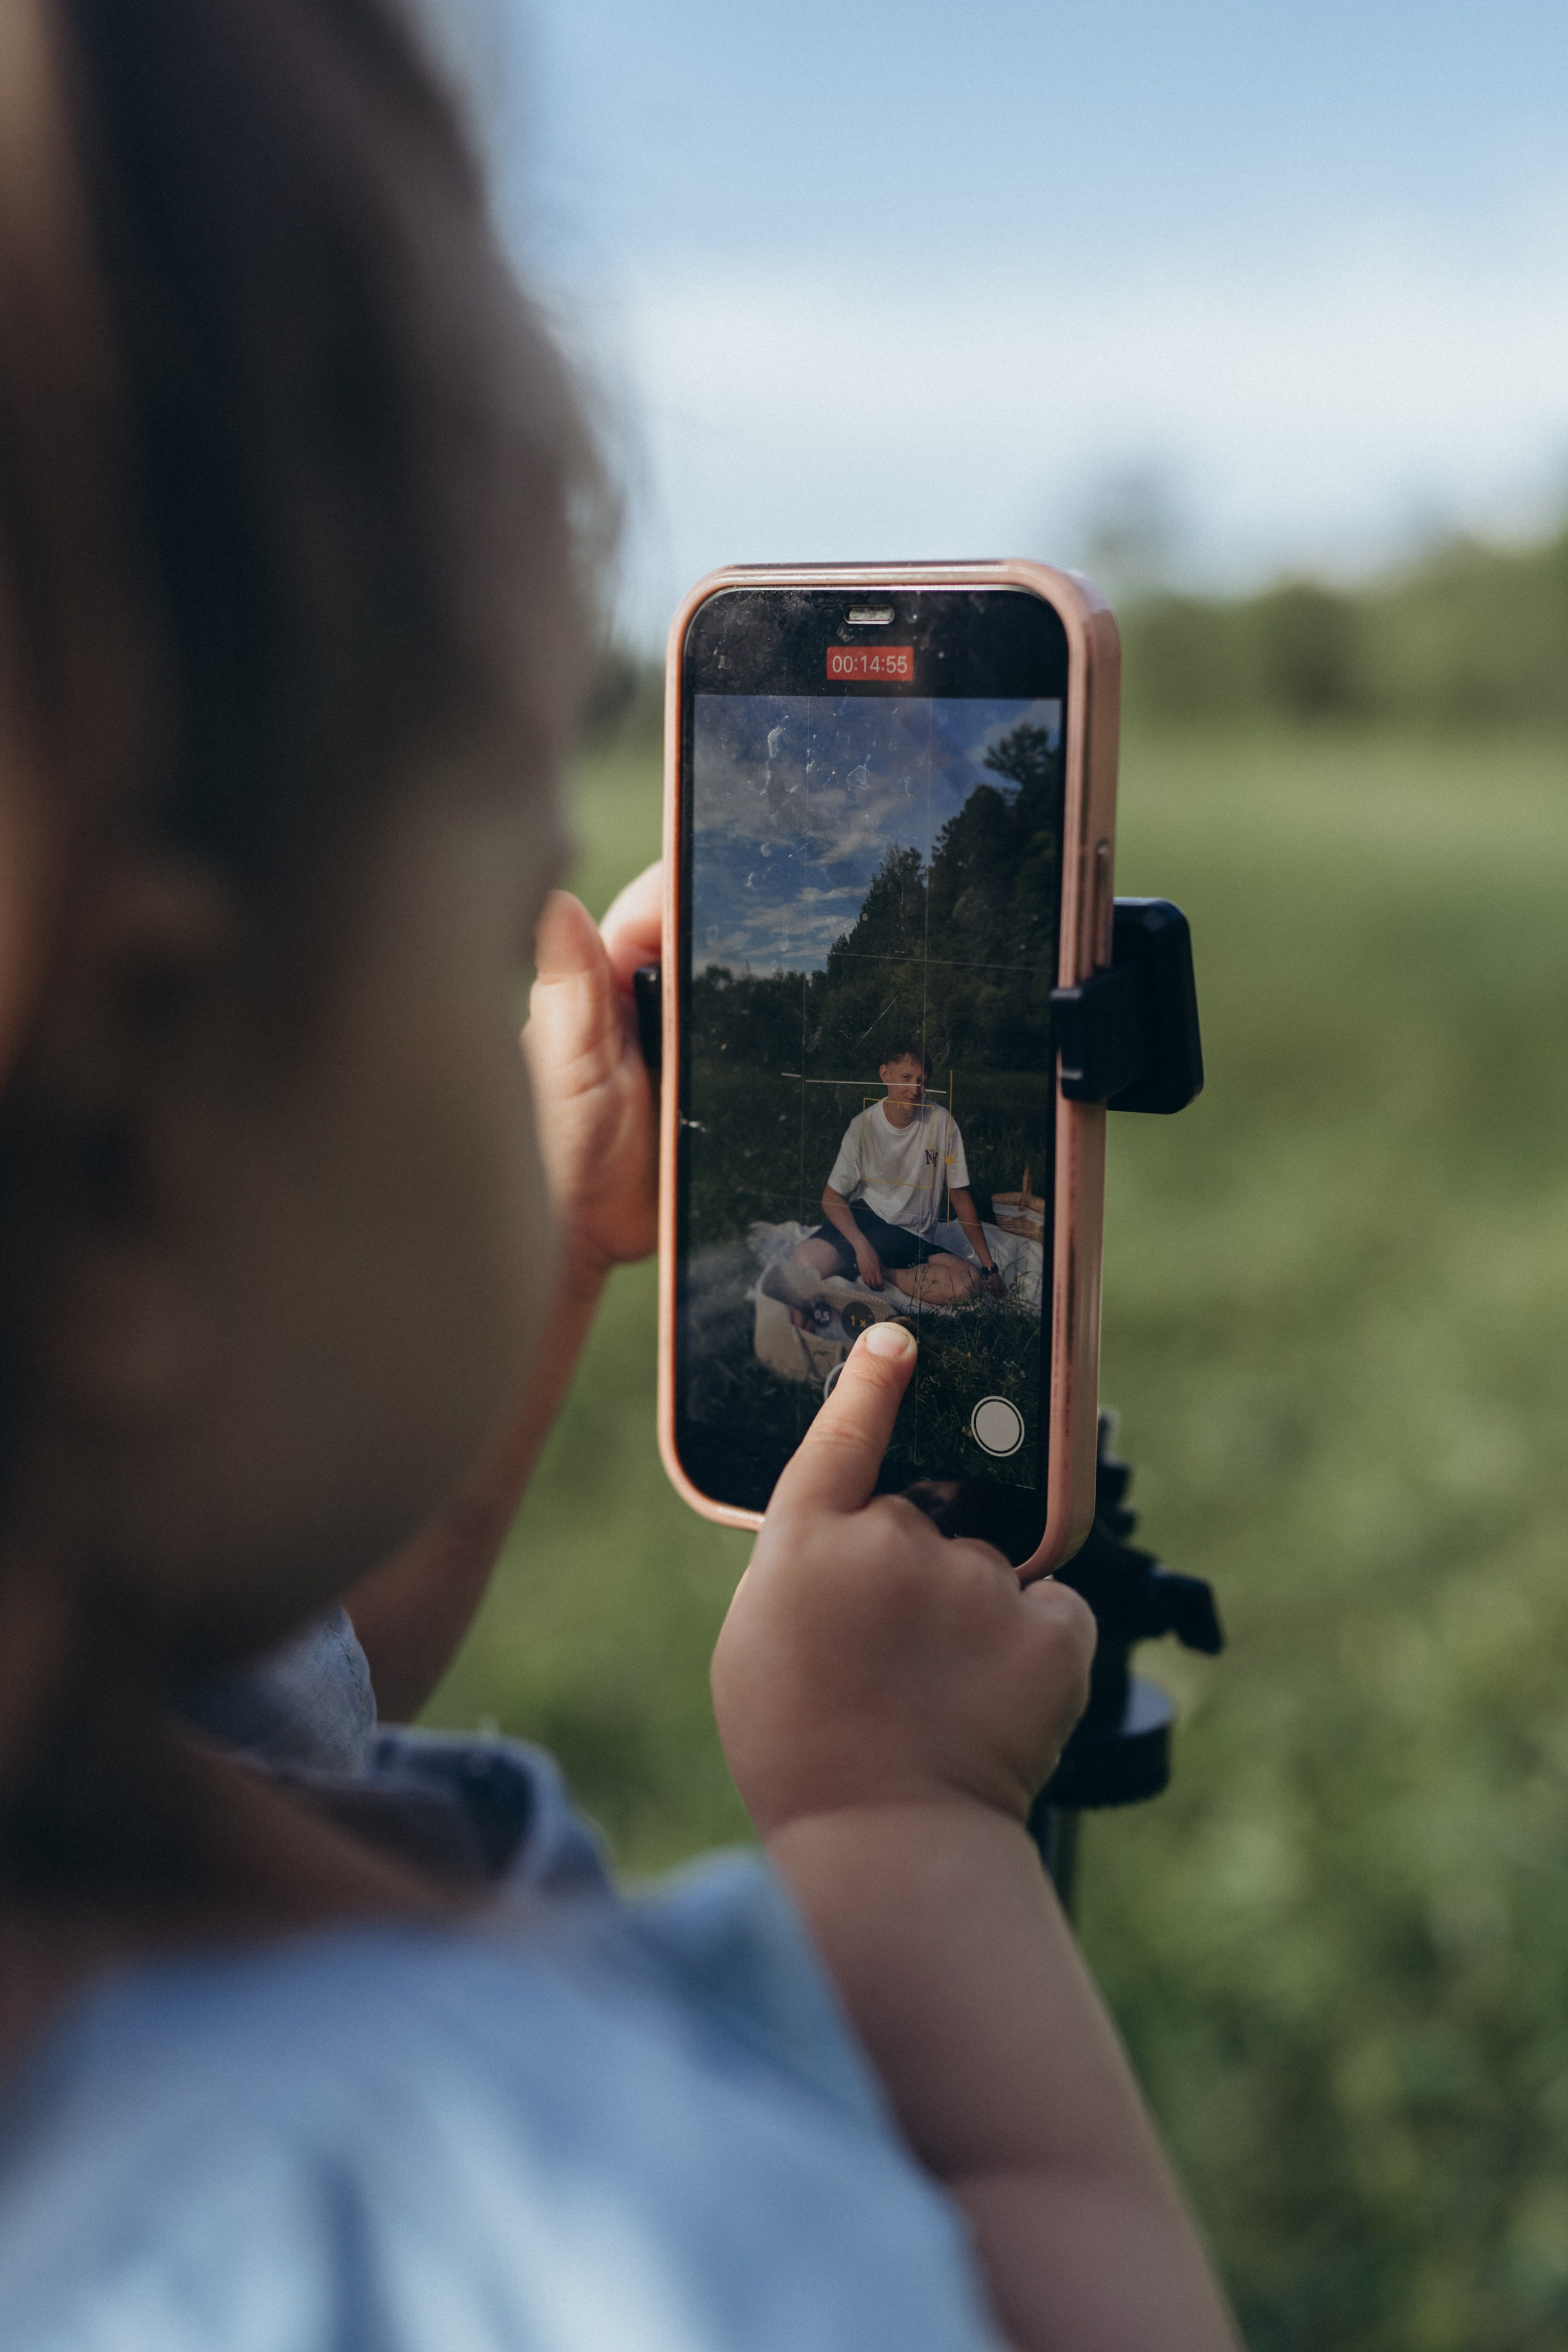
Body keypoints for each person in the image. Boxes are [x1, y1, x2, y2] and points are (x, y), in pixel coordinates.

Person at [0, 2, 1242, 2348]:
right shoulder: (548, 2241)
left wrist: (557, 1270)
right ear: (152, 1131)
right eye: (502, 911)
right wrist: (895, 1832)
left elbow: (280, 1685)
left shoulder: (78, 1763)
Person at [774, 1042, 1001, 1318]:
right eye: (906, 1078)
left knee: (969, 1283)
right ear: (885, 1075)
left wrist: (989, 1267)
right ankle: (861, 1264)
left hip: (913, 1237)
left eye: (922, 1082)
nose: (914, 1090)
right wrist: (861, 1245)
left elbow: (960, 1197)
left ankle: (882, 1274)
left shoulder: (942, 1122)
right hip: (869, 1221)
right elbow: (832, 1197)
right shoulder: (863, 1125)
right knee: (805, 1260)